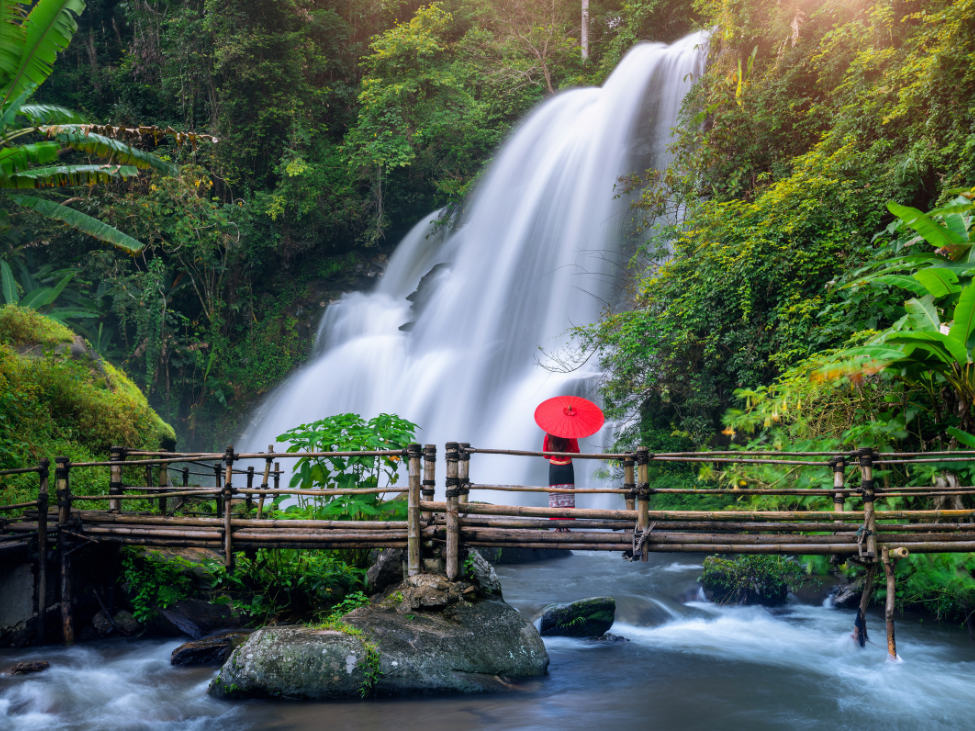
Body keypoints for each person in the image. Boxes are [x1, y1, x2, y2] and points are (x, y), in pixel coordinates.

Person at [543, 433, 579, 531]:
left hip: (554, 467)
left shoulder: (548, 435)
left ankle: (557, 526)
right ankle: (566, 526)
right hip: (567, 466)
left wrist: (553, 450)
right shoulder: (571, 434)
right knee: (567, 495)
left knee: (556, 496)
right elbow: (576, 452)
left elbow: (546, 455)